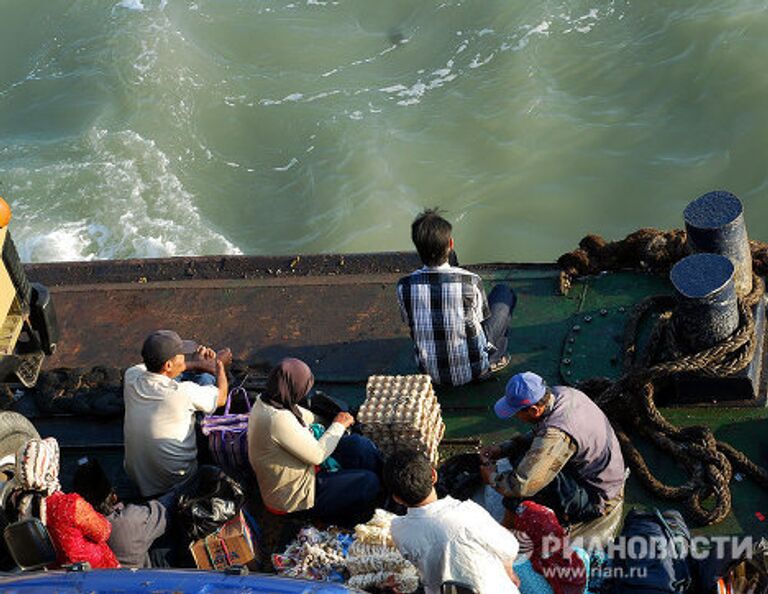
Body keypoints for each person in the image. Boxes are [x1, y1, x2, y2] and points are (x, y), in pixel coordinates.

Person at [480, 372, 626, 546]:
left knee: (522, 487)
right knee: (521, 455)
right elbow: (540, 433)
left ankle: (505, 534)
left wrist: (492, 478)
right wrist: (503, 448)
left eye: (516, 412)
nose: (516, 417)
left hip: (598, 496)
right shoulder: (561, 393)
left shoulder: (558, 434)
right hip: (597, 470)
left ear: (534, 410)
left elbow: (522, 485)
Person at [247, 357, 381, 524]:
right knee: (368, 482)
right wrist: (338, 426)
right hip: (295, 496)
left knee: (359, 446)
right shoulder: (276, 419)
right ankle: (356, 516)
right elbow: (318, 455)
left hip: (306, 469)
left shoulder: (272, 399)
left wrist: (331, 419)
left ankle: (383, 492)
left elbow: (308, 417)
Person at [396, 208, 516, 386]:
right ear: (450, 243)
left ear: (417, 248)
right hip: (474, 371)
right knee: (504, 293)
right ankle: (495, 358)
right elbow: (481, 319)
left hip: (430, 374)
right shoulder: (471, 281)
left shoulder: (403, 286)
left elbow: (409, 321)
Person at [384, 448, 521, 594]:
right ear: (433, 475)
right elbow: (510, 547)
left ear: (396, 498)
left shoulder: (398, 530)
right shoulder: (469, 511)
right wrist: (508, 569)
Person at [123, 329, 230, 497]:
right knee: (206, 380)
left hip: (139, 478)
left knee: (177, 379)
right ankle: (203, 376)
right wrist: (218, 366)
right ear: (168, 365)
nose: (184, 357)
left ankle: (197, 372)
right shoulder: (182, 393)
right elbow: (222, 397)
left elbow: (161, 372)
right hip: (178, 481)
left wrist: (197, 364)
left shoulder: (131, 377)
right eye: (181, 355)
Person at [13, 438, 119, 569]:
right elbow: (104, 531)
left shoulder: (17, 502)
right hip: (93, 573)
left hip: (52, 573)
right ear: (50, 468)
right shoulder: (69, 504)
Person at [73, 457, 170, 568]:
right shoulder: (131, 520)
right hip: (140, 581)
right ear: (113, 497)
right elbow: (166, 508)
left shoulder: (72, 532)